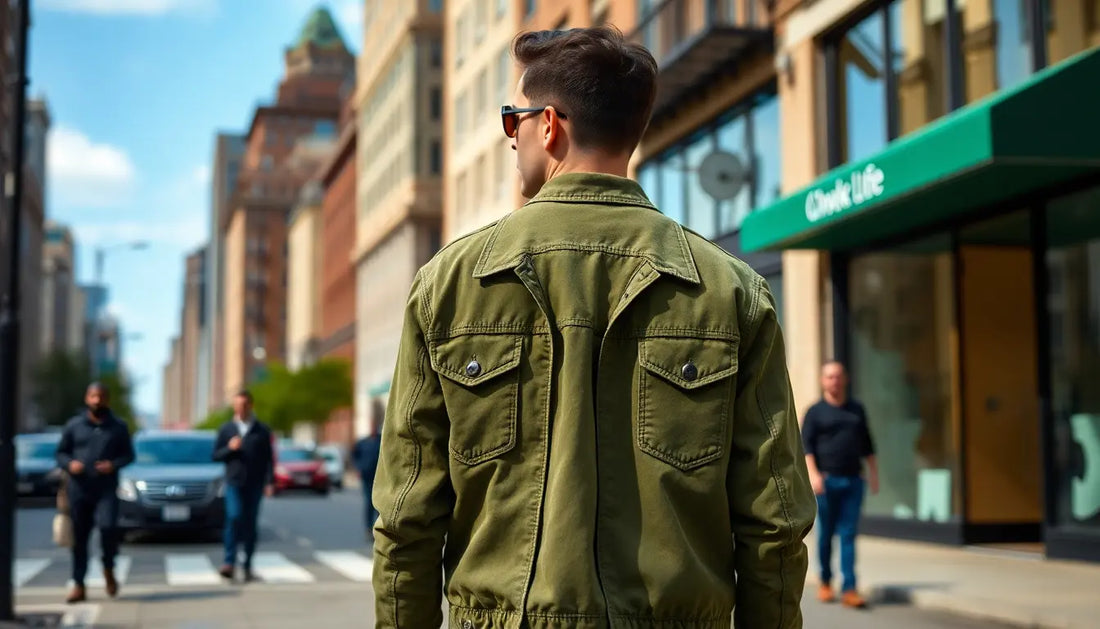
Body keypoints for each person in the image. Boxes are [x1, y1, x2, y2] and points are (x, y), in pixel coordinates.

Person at [372, 26, 815, 628]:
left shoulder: (449, 283)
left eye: (513, 121)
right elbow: (774, 522)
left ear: (549, 126)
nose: (512, 139)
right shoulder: (731, 289)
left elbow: (406, 518)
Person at [802, 361, 879, 608]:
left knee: (848, 535)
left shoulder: (857, 409)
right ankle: (825, 581)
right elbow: (807, 447)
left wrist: (873, 473)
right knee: (825, 535)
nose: (834, 380)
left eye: (838, 376)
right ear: (823, 381)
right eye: (829, 377)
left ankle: (849, 588)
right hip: (826, 482)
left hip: (853, 481)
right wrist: (813, 475)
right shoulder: (815, 412)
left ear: (845, 379)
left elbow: (867, 443)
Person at [55, 382, 135, 604]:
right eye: (92, 396)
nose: (96, 400)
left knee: (109, 528)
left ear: (107, 400)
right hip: (79, 490)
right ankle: (78, 584)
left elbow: (129, 455)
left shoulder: (118, 427)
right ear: (86, 398)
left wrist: (113, 464)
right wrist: (70, 464)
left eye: (100, 396)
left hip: (106, 489)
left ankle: (109, 567)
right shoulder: (74, 425)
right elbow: (61, 453)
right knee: (79, 539)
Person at [212, 390, 275, 582]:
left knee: (250, 524)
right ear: (234, 407)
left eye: (244, 405)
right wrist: (229, 449)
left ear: (250, 406)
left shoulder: (261, 430)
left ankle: (247, 564)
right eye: (237, 405)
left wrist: (270, 481)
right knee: (234, 517)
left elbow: (269, 459)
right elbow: (215, 455)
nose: (240, 409)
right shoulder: (227, 429)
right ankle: (229, 562)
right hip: (234, 482)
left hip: (255, 483)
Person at [352, 427, 381, 543]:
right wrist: (359, 468)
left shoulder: (381, 440)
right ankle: (369, 528)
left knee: (380, 503)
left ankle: (379, 527)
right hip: (367, 476)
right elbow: (354, 455)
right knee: (369, 501)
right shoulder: (362, 442)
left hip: (379, 476)